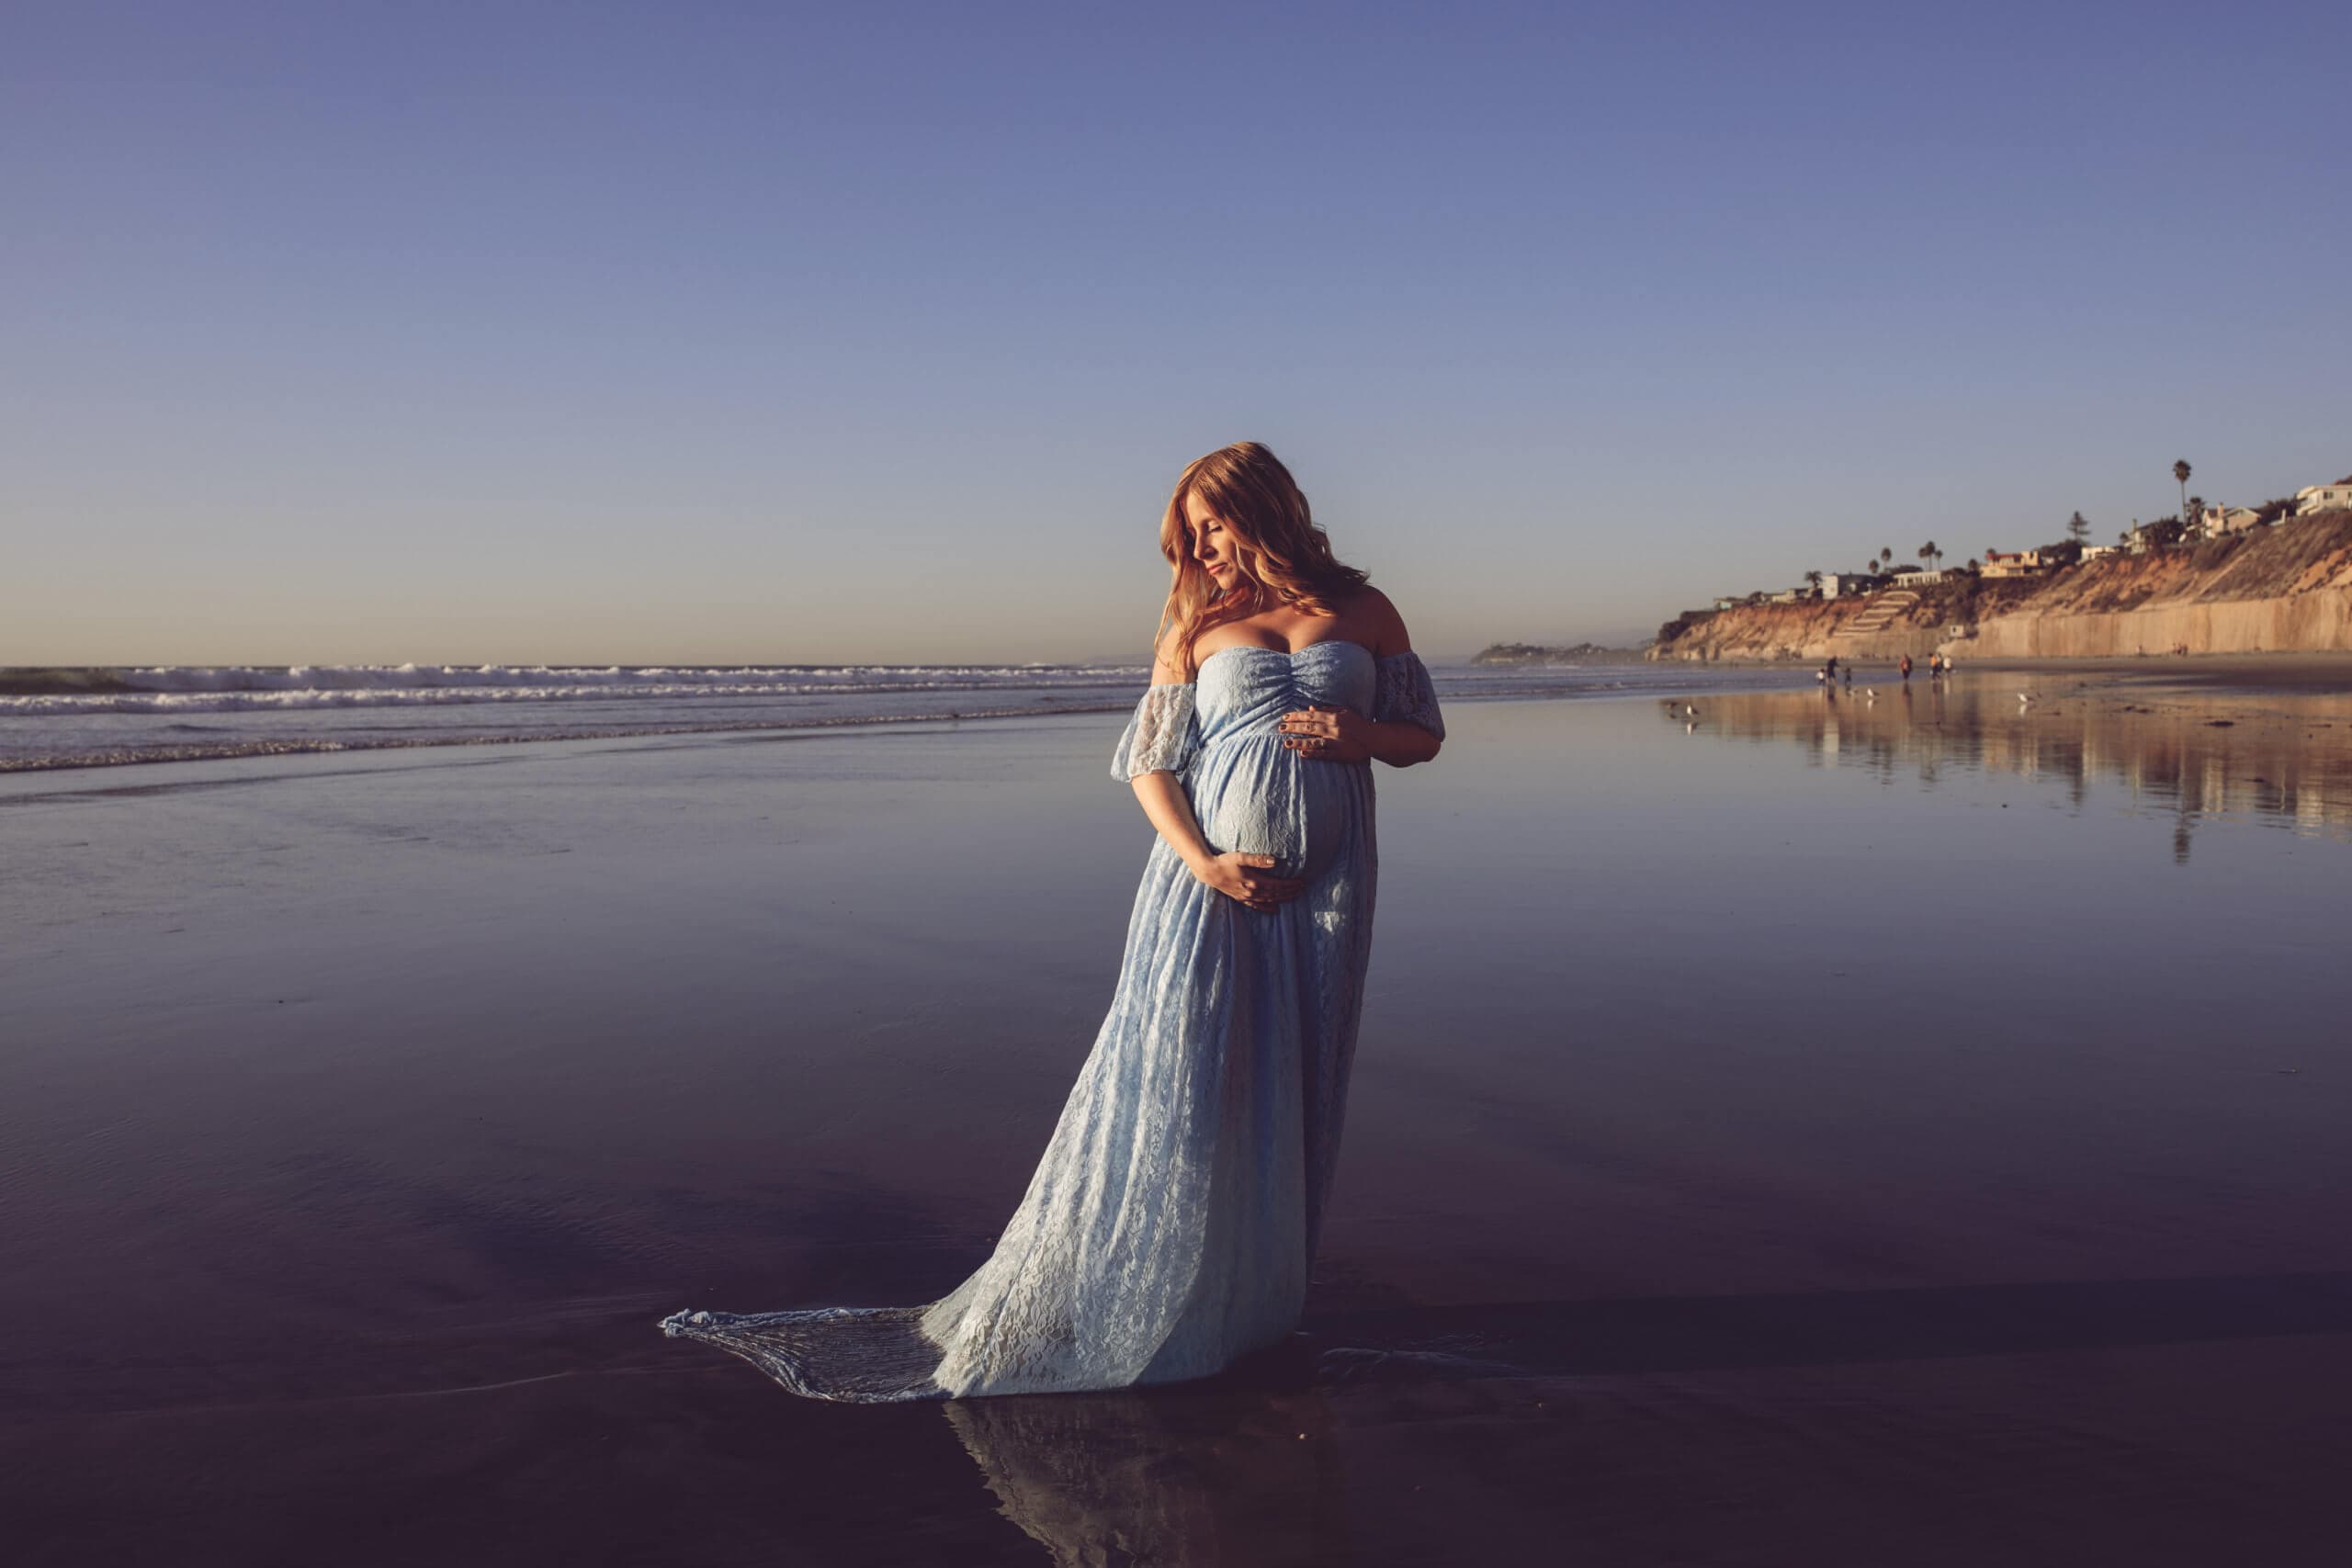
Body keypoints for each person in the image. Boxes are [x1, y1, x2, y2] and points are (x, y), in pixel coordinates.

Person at [660, 442, 1446, 1401]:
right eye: (1190, 532)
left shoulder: (1365, 611)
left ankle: (1245, 1303)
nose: (1203, 546)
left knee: (1293, 1082)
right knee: (1182, 1078)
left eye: (1215, 524)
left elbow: (1421, 736)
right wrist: (1203, 861)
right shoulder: (1197, 617)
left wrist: (1361, 736)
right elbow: (1150, 763)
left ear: (1268, 509)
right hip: (1204, 889)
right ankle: (1140, 1294)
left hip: (1328, 895)